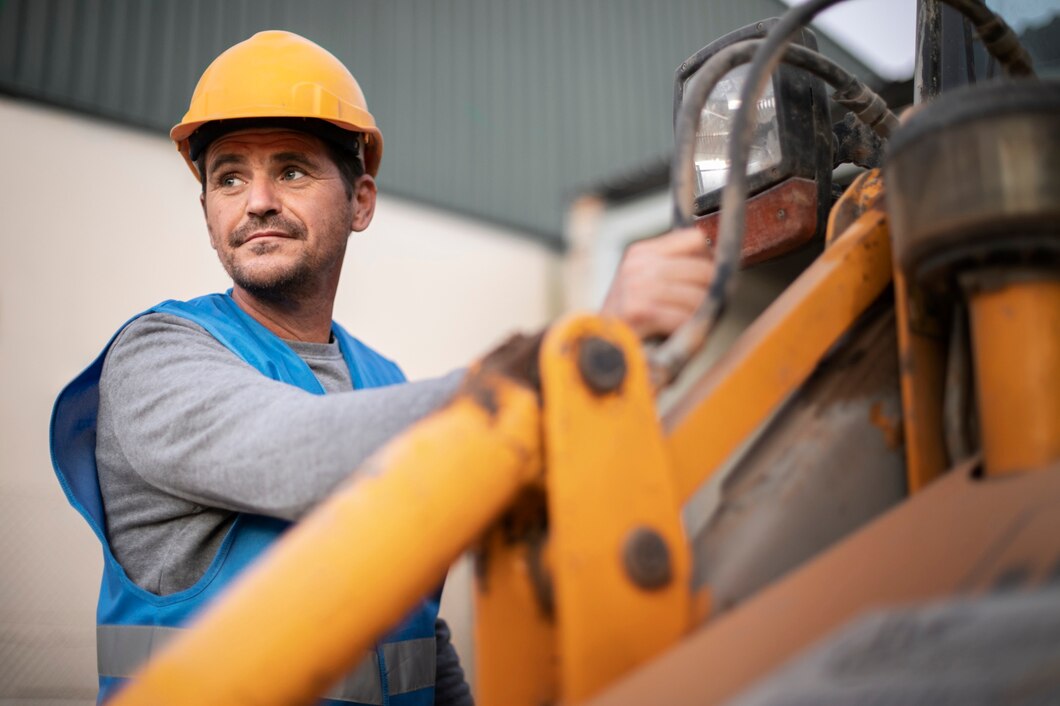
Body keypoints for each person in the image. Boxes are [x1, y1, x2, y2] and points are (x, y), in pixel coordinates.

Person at [49, 30, 714, 706]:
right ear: (208, 211)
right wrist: (567, 354)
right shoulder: (157, 356)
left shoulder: (384, 382)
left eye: (292, 169)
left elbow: (418, 634)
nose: (257, 202)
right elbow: (291, 453)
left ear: (360, 201)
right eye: (229, 177)